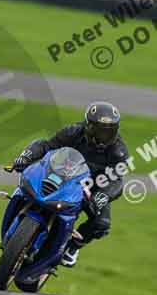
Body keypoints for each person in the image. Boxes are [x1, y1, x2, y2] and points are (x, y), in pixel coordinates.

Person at [12, 101, 128, 267]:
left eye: (109, 132)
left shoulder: (119, 151)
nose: (103, 137)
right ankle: (18, 214)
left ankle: (73, 247)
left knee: (102, 224)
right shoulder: (73, 131)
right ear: (88, 126)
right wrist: (26, 156)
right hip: (61, 175)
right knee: (28, 187)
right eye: (99, 131)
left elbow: (117, 180)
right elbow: (46, 145)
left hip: (92, 188)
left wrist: (103, 195)